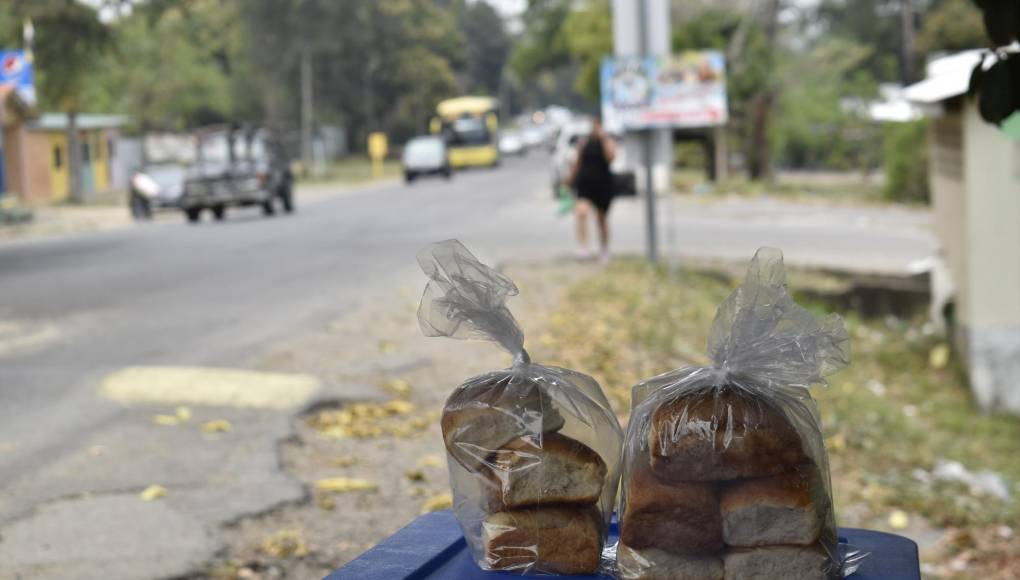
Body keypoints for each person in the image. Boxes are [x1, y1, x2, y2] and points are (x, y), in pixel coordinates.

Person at [568, 117, 616, 263]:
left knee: (601, 219)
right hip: (585, 184)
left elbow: (611, 157)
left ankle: (604, 249)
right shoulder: (584, 142)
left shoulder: (607, 141)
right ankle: (583, 248)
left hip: (603, 184)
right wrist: (569, 179)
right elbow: (577, 162)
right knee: (581, 212)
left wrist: (604, 138)